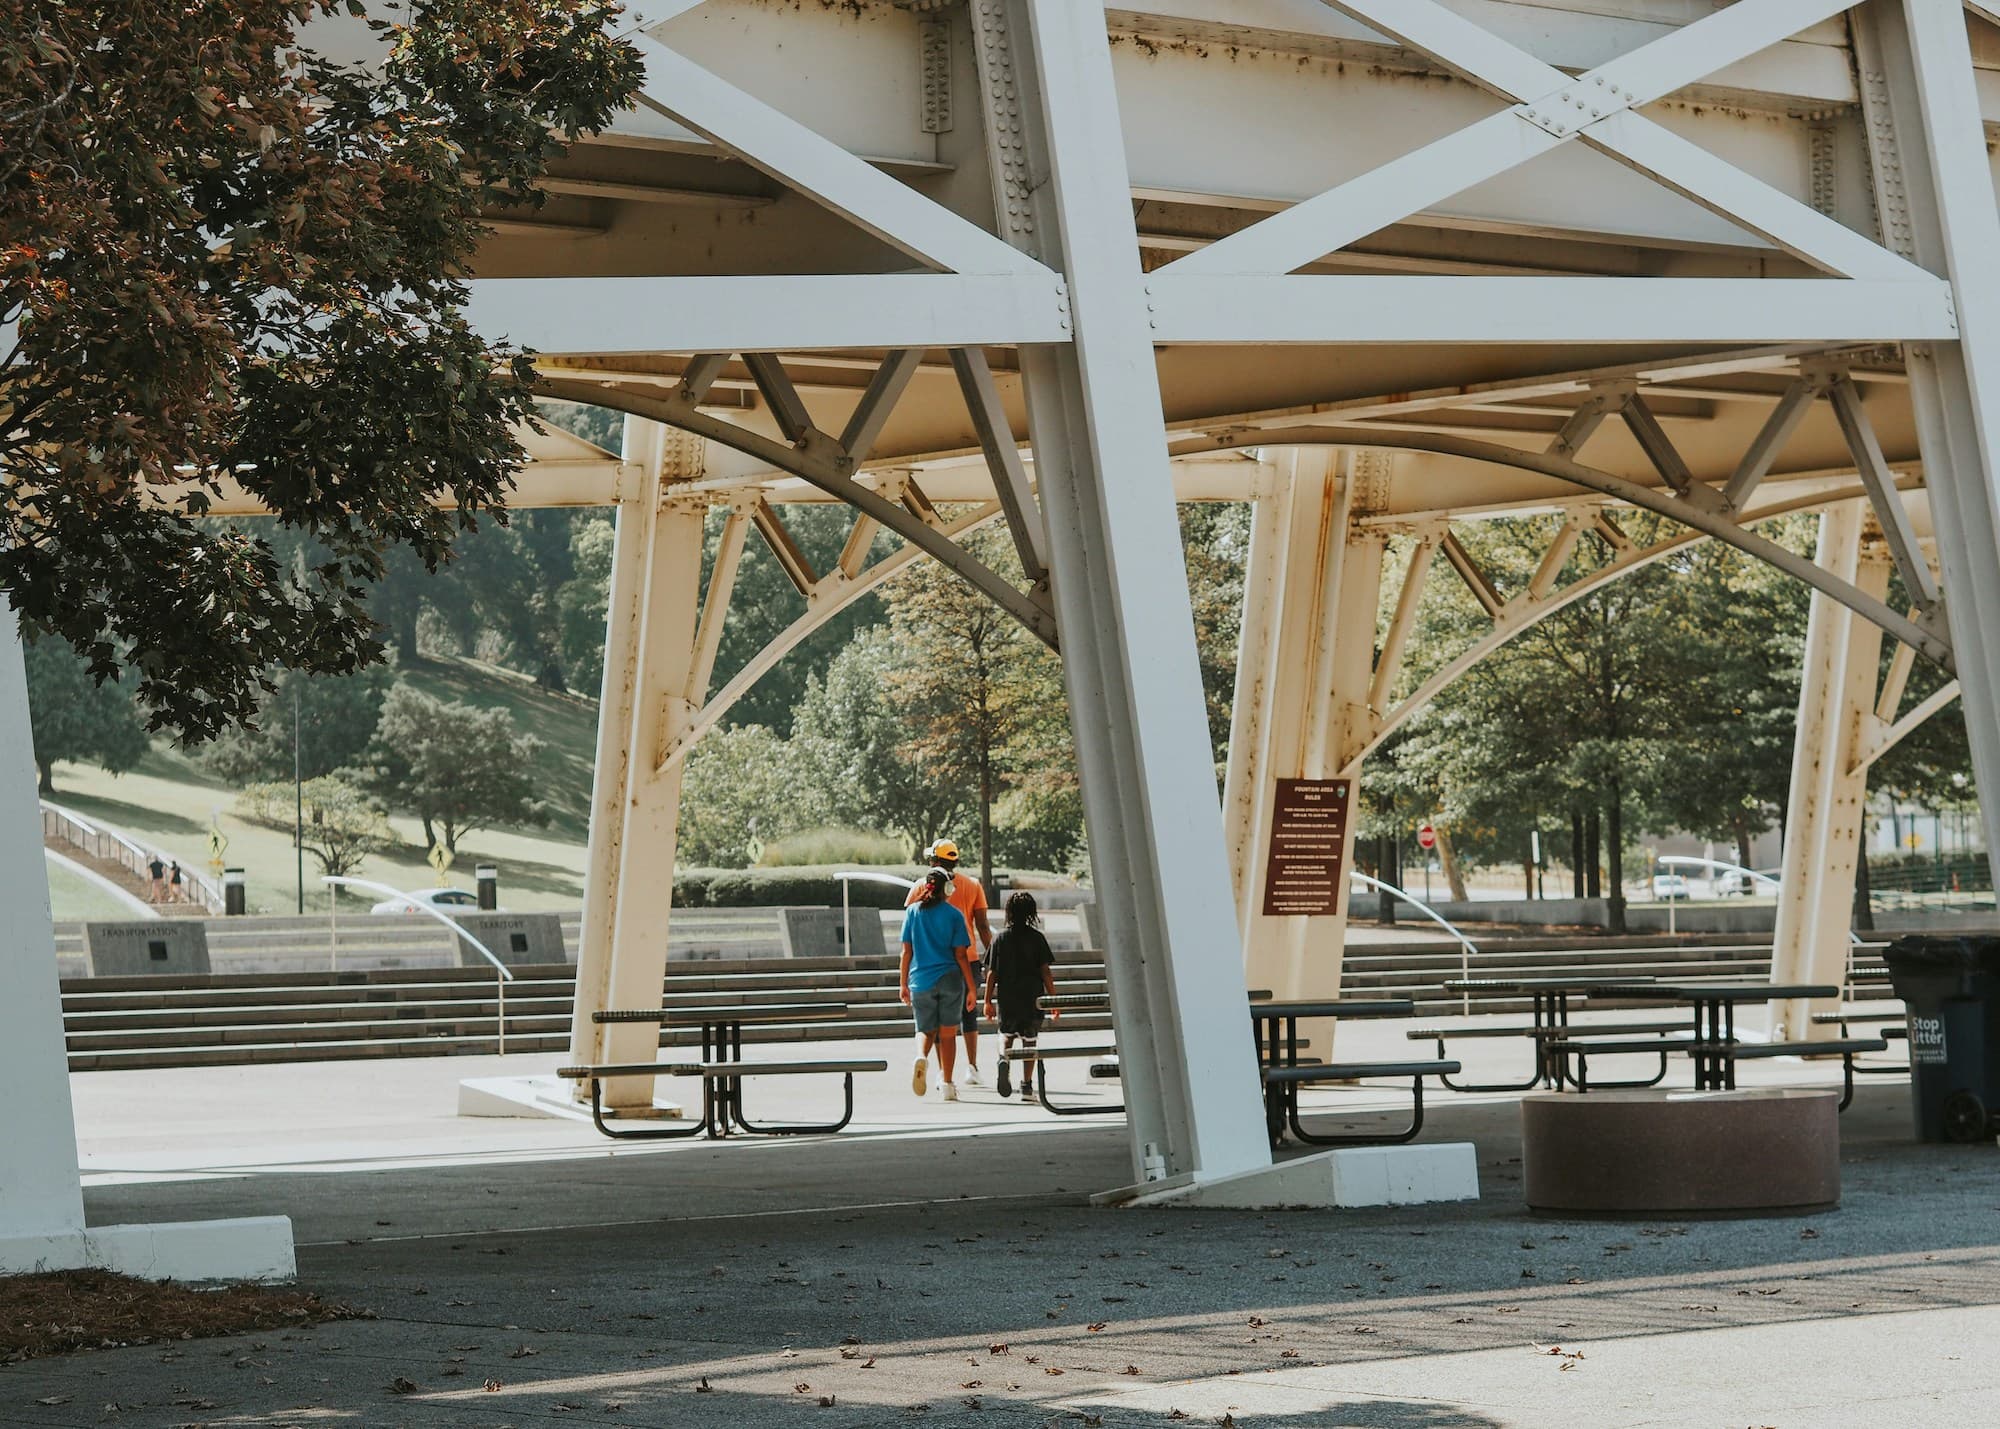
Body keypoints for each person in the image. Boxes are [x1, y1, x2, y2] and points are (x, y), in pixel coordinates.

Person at [904, 839, 992, 1084]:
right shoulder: (973, 885)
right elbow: (983, 926)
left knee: (937, 1022)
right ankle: (972, 1067)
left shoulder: (921, 886)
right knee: (969, 1016)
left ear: (933, 860)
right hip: (967, 959)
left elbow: (909, 929)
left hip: (928, 963)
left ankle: (944, 1071)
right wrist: (993, 956)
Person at [899, 868, 976, 1102]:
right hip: (950, 979)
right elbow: (961, 954)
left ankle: (921, 1056)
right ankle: (947, 1085)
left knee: (924, 1029)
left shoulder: (912, 912)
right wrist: (972, 987)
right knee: (949, 1034)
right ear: (947, 889)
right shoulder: (954, 915)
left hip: (920, 980)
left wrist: (903, 984)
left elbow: (906, 952)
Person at [985, 891, 1058, 1100]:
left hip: (1008, 997)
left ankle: (1003, 1058)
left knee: (1005, 1035)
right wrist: (1053, 1000)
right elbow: (1045, 971)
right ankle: (1026, 1086)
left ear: (1008, 912)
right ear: (1031, 913)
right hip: (1032, 997)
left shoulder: (1000, 938)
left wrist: (987, 1001)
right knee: (1029, 1041)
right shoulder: (1037, 938)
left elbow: (992, 973)